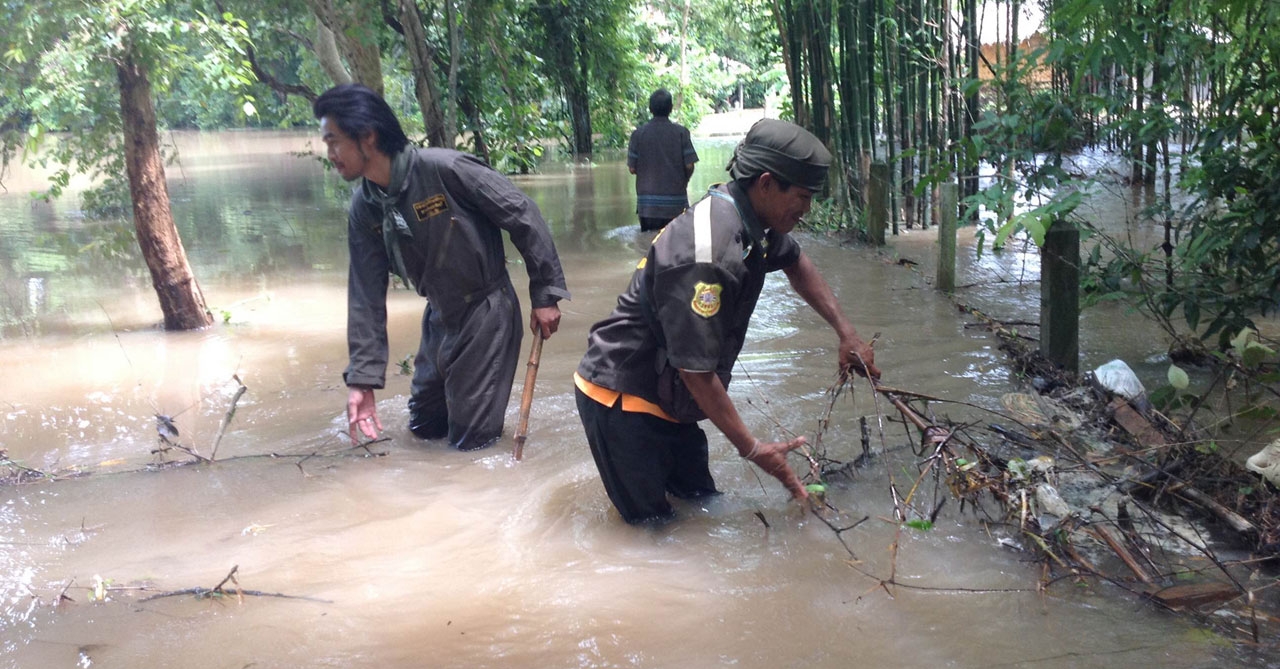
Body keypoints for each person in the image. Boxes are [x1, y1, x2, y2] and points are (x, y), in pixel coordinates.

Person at [574, 118, 881, 524]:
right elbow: (697, 372)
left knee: (702, 505)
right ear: (767, 183)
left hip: (671, 397)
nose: (806, 212)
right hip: (622, 397)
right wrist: (754, 449)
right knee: (653, 534)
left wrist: (847, 333)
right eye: (803, 198)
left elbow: (795, 261)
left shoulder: (754, 219)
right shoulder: (710, 252)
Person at [314, 84, 570, 451]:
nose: (331, 154)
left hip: (487, 312)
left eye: (334, 141)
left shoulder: (444, 169)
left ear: (367, 137)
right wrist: (362, 381)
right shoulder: (365, 208)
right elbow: (365, 296)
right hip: (439, 317)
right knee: (423, 427)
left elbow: (522, 213)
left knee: (471, 444)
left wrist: (545, 294)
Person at [628, 89, 699, 231]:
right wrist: (684, 181)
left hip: (647, 208)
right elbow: (689, 165)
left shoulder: (637, 134)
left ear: (650, 109)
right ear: (671, 109)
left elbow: (632, 169)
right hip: (676, 206)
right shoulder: (681, 133)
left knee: (648, 247)